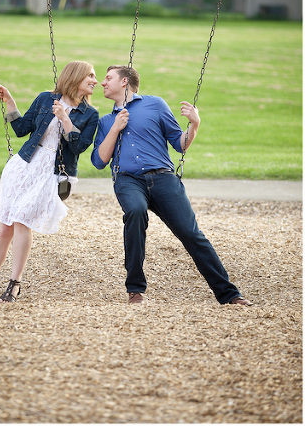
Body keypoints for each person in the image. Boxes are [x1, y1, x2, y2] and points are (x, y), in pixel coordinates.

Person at [91, 64, 252, 306]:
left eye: (108, 78)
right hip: (128, 179)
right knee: (134, 211)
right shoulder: (106, 121)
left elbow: (180, 144)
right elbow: (100, 161)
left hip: (163, 177)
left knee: (191, 234)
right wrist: (115, 128)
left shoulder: (155, 105)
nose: (103, 83)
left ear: (124, 82)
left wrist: (194, 125)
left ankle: (229, 294)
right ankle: (135, 290)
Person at [0, 61, 99, 303]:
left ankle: (14, 283)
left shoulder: (90, 114)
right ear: (74, 77)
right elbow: (21, 129)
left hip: (53, 173)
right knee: (5, 226)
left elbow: (79, 146)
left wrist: (65, 119)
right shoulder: (45, 99)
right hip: (24, 167)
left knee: (22, 221)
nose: (95, 80)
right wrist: (10, 101)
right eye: (90, 76)